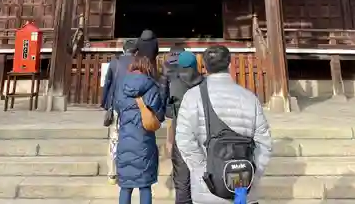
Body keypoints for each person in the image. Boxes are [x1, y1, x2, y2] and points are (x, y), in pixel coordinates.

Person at [175, 45, 272, 204]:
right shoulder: (250, 99)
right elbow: (264, 143)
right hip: (244, 190)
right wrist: (251, 173)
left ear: (204, 66)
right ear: (229, 64)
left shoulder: (192, 97)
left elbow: (184, 141)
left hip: (208, 191)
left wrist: (204, 172)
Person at [115, 55, 165, 204]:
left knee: (125, 186)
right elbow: (160, 115)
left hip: (125, 139)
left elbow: (117, 107)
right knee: (144, 186)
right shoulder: (151, 85)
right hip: (144, 140)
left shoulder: (121, 85)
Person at [101, 38, 138, 184]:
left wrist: (105, 103)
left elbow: (107, 84)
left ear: (123, 49)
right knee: (134, 139)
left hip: (116, 106)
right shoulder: (140, 63)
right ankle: (131, 170)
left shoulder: (115, 63)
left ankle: (112, 173)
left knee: (115, 140)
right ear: (136, 51)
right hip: (135, 108)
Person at [169, 51, 204, 204]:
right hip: (203, 136)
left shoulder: (174, 85)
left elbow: (169, 112)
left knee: (182, 181)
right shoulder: (205, 83)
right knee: (203, 179)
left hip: (181, 137)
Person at [158, 42, 185, 116]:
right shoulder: (189, 66)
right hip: (187, 108)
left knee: (171, 126)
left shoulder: (166, 66)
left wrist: (161, 108)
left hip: (171, 107)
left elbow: (163, 90)